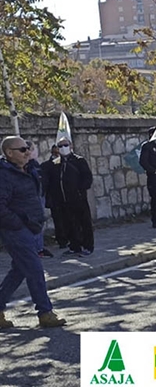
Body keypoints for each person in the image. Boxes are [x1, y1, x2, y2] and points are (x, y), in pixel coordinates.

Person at [0, 136, 67, 329]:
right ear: (9, 153)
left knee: (19, 270)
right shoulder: (4, 175)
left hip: (34, 228)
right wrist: (18, 223)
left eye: (27, 148)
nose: (27, 152)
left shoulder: (30, 169)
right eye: (22, 150)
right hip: (16, 230)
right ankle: (45, 313)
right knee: (36, 270)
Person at [40, 137, 94, 257]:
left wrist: (80, 190)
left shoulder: (79, 161)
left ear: (71, 146)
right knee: (68, 224)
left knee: (84, 223)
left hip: (78, 199)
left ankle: (88, 246)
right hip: (63, 200)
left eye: (65, 145)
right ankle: (74, 246)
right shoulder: (56, 164)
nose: (63, 148)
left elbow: (87, 178)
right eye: (60, 146)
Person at [41, 144, 69, 249]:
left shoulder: (66, 164)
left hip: (66, 196)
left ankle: (71, 238)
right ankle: (62, 240)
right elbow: (45, 182)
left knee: (68, 218)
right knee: (58, 220)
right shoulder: (46, 166)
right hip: (54, 197)